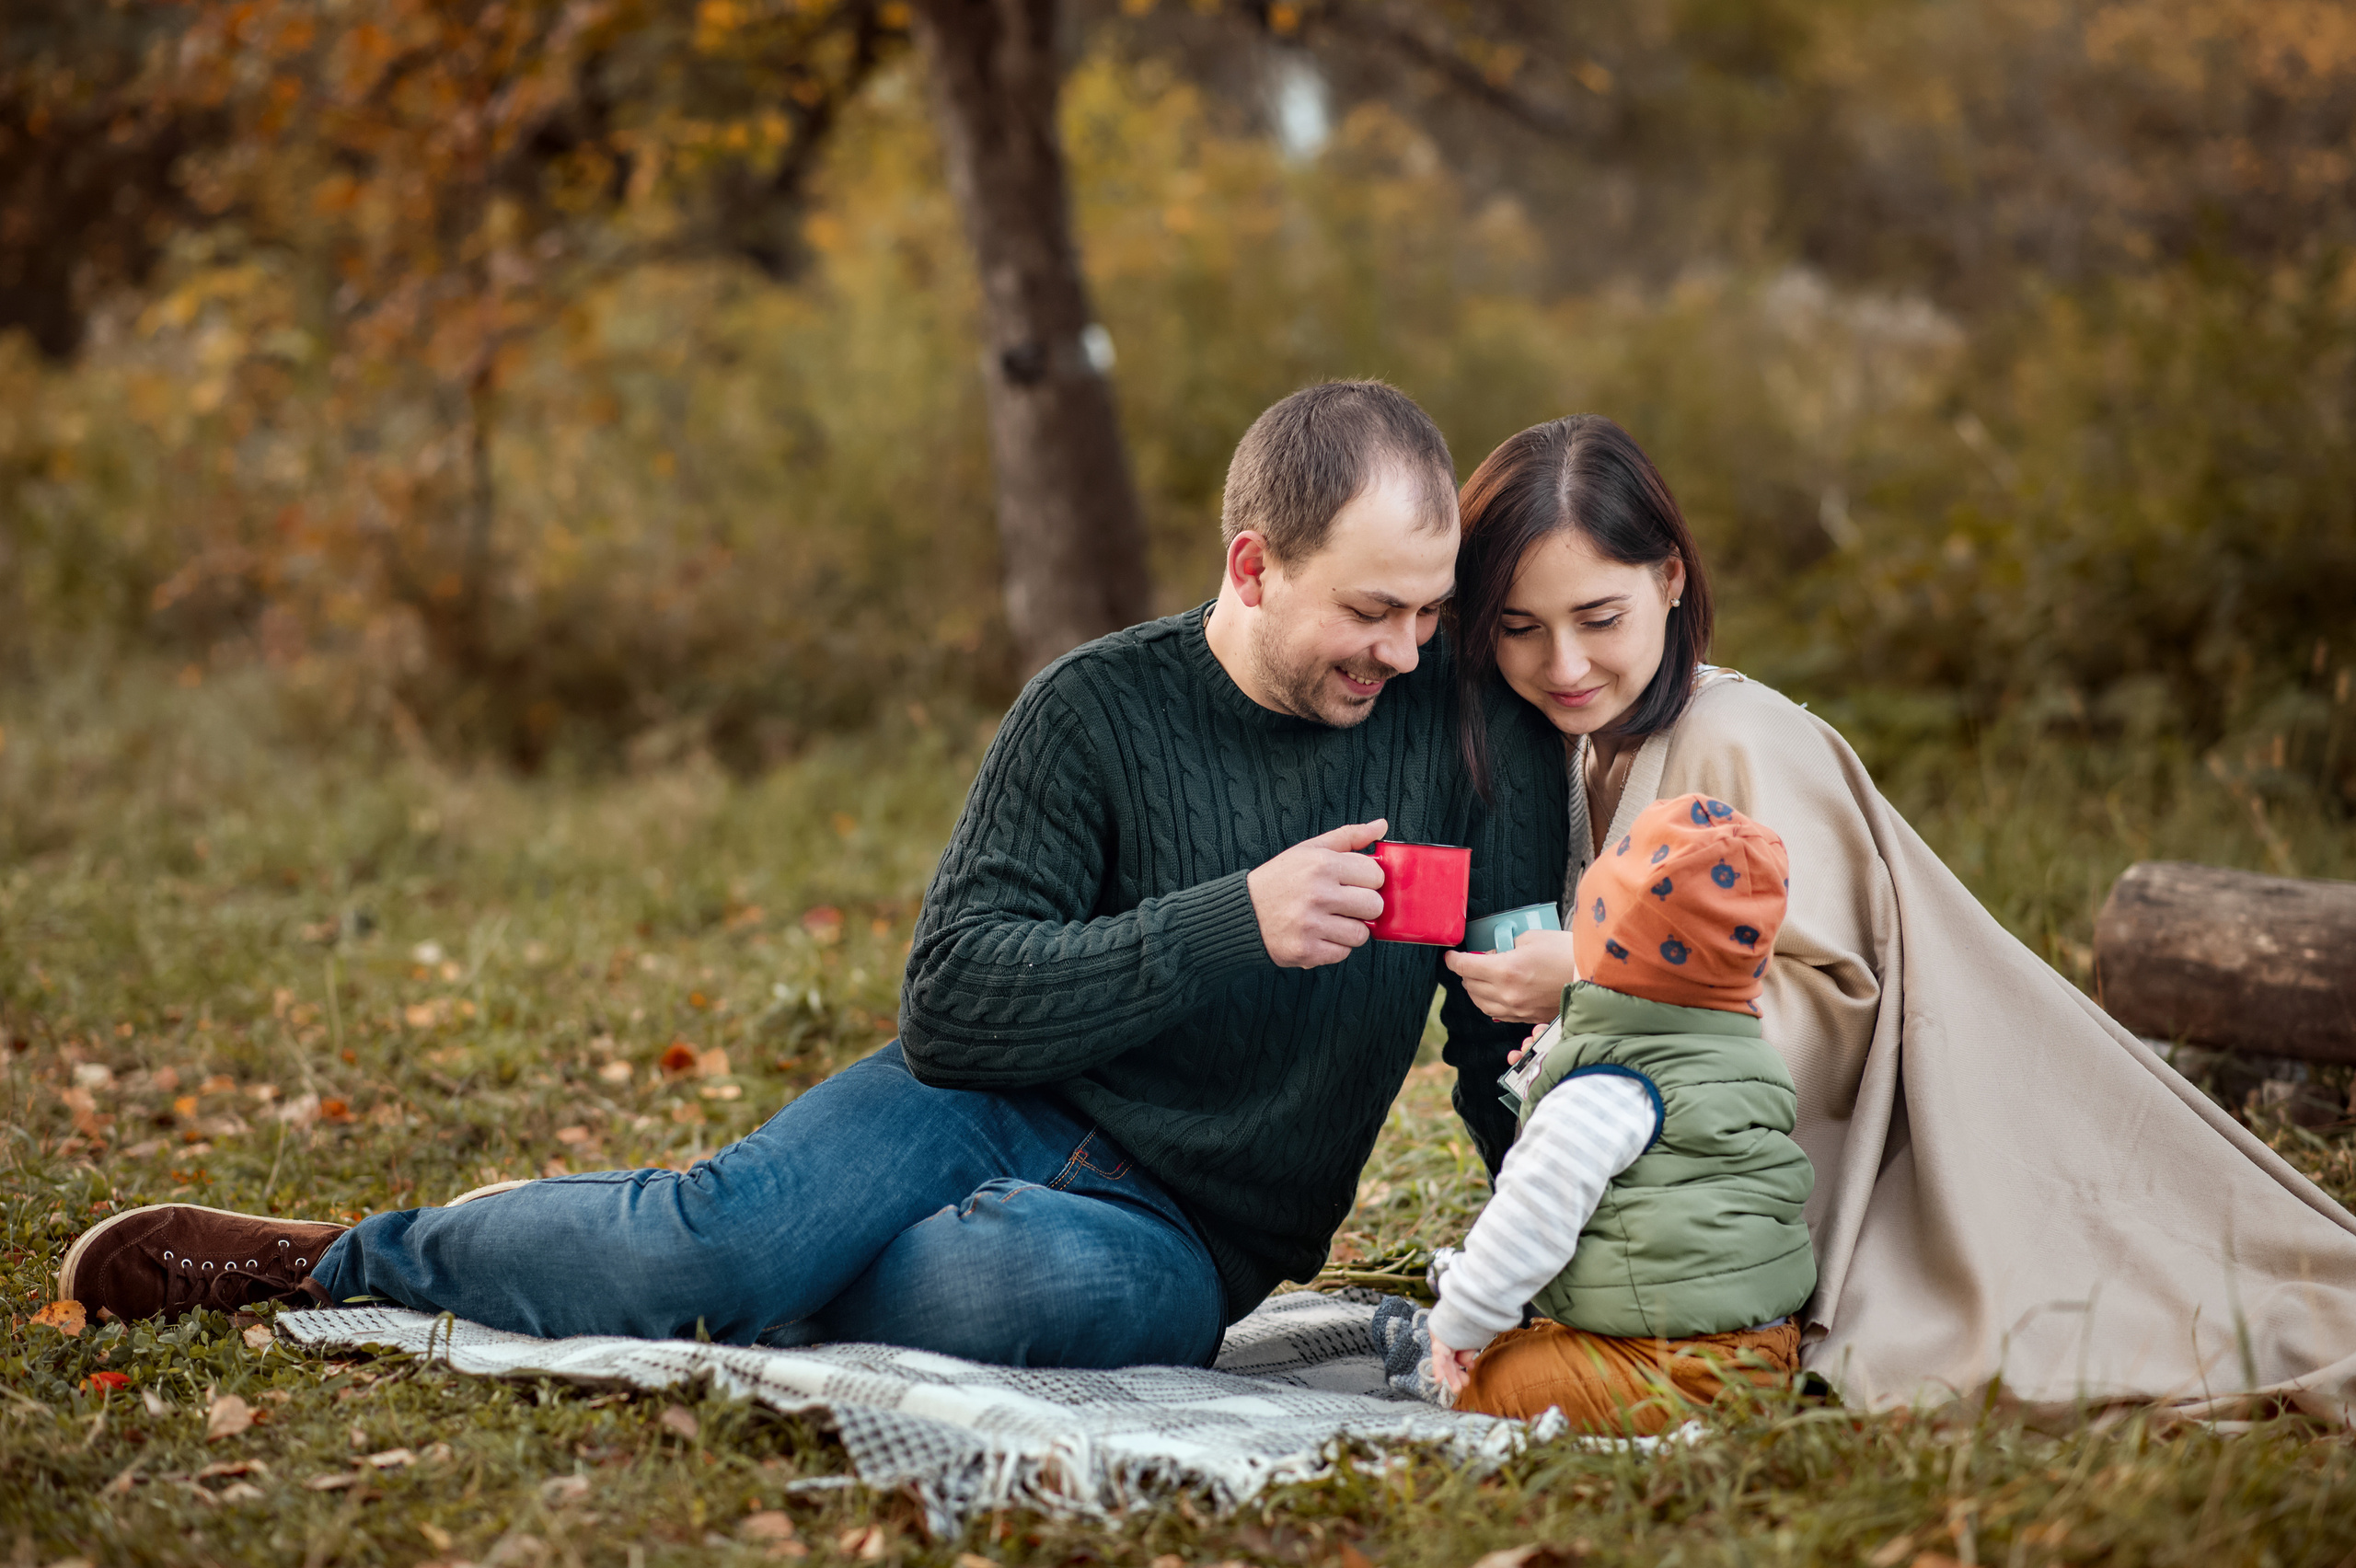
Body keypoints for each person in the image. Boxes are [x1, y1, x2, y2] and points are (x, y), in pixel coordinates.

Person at [55, 381, 1569, 1367]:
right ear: (1252, 566)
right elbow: (954, 1003)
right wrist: (1227, 924)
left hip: (1189, 1232)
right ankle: (346, 1260)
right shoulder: (1097, 708)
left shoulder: (1463, 738)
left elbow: (1504, 1039)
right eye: (1372, 609)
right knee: (723, 1236)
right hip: (984, 1098)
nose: (1408, 649)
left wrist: (1552, 1258)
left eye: (1432, 611)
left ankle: (618, 1267)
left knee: (1007, 1295)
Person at [1436, 413, 2356, 1420]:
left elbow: (1829, 1011)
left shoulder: (1742, 741)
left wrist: (1587, 979)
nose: (1563, 663)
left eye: (1597, 617)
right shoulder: (1580, 746)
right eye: (1520, 629)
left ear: (1670, 580)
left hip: (1885, 1165)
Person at [1375, 791, 1813, 1431]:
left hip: (1667, 1368)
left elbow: (1534, 1214)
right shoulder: (1749, 1059)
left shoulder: (1608, 1083)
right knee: (1546, 1334)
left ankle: (1436, 1354)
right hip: (1768, 1344)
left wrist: (1460, 1322)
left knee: (1493, 1380)